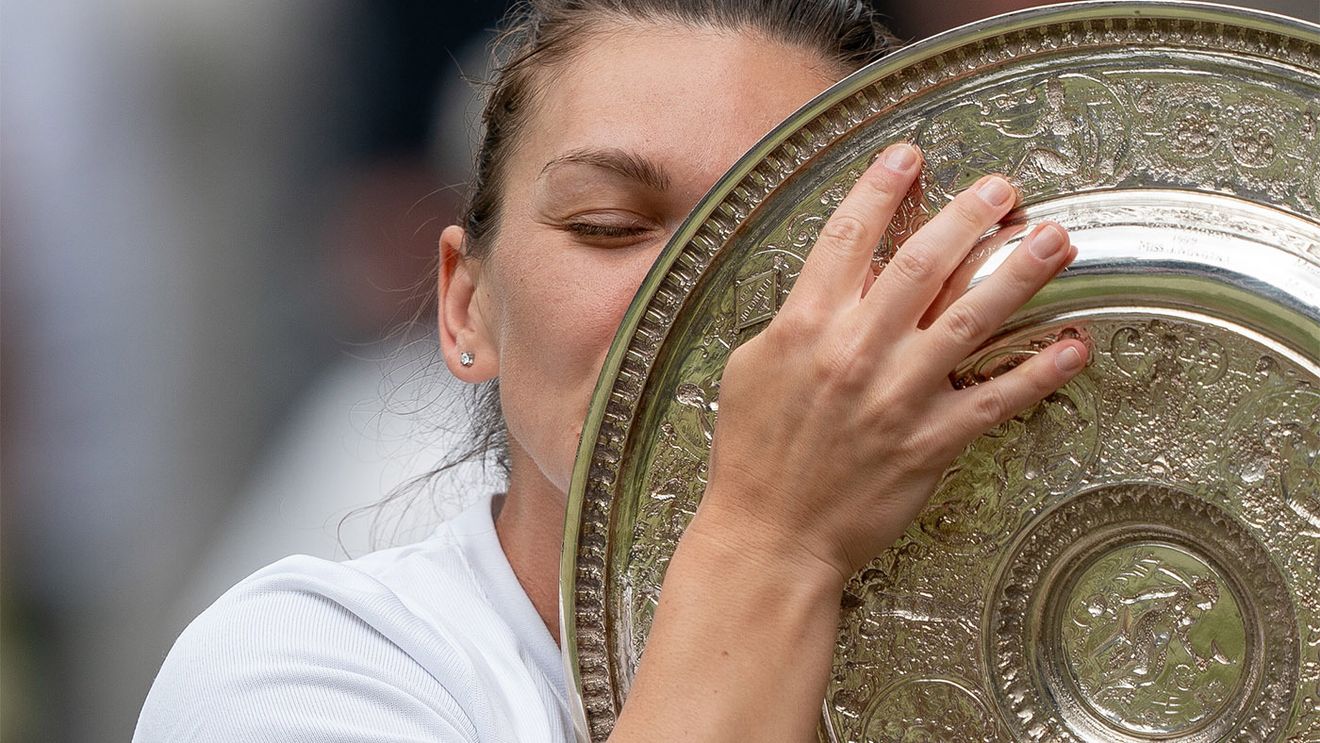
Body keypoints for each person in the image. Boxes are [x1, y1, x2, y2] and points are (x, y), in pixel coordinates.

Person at [134, 1, 1087, 740]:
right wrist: (772, 534)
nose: (690, 299)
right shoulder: (301, 668)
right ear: (467, 305)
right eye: (609, 227)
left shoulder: (1051, 663)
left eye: (792, 235)